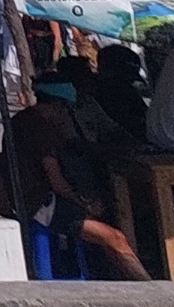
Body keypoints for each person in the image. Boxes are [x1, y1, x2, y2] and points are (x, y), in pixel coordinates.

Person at [8, 89, 151, 278]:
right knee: (115, 238)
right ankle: (149, 287)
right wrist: (85, 204)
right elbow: (57, 181)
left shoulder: (20, 120)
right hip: (40, 204)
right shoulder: (41, 129)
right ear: (58, 106)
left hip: (30, 199)